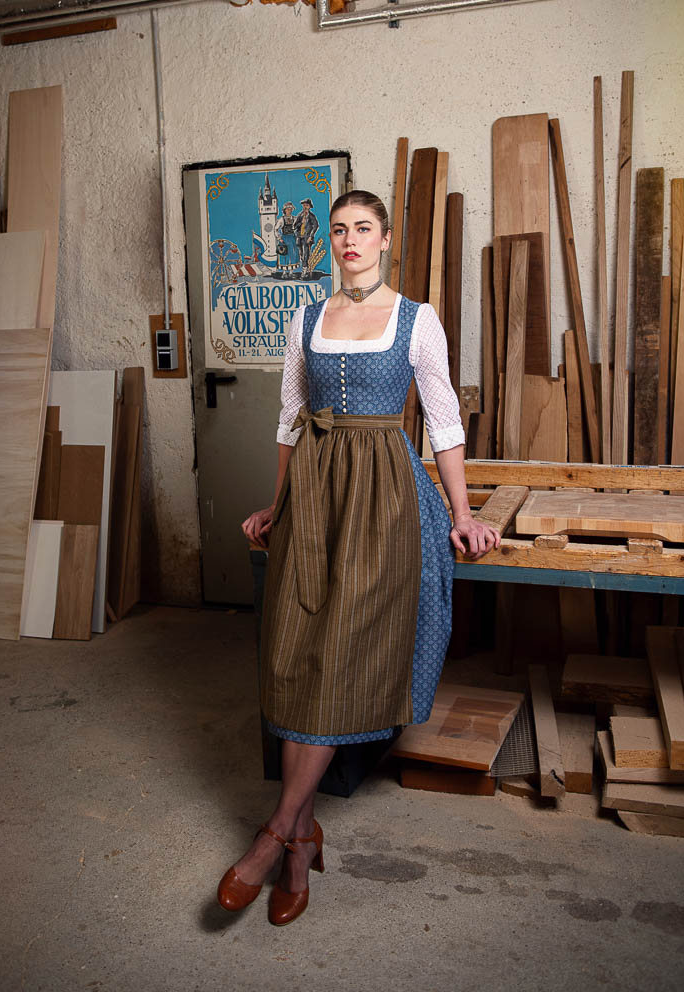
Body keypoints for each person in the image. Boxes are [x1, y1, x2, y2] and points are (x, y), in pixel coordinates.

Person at [217, 189, 500, 926]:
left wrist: (464, 516)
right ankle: (302, 835)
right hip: (314, 493)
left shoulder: (417, 320)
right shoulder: (306, 317)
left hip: (383, 497)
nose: (348, 240)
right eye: (338, 229)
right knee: (299, 651)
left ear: (383, 241)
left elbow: (443, 424)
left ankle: (279, 834)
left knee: (339, 653)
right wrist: (278, 507)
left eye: (362, 229)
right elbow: (288, 420)